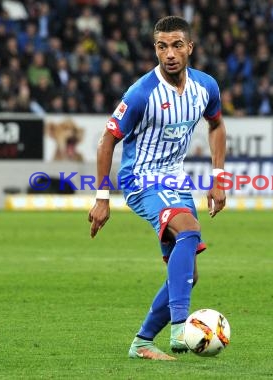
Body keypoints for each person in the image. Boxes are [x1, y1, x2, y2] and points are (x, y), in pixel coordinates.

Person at [88, 16, 227, 361]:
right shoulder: (141, 93)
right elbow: (107, 140)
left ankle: (142, 343)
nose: (169, 53)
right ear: (155, 49)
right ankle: (181, 327)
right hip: (140, 178)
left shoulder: (205, 87)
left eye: (177, 45)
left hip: (175, 180)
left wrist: (218, 177)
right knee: (189, 229)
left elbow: (217, 125)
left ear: (190, 47)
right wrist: (102, 197)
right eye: (162, 46)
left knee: (188, 275)